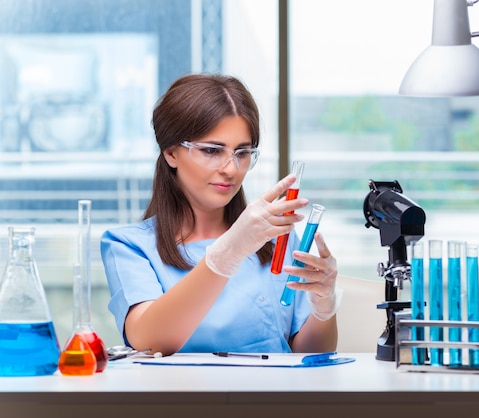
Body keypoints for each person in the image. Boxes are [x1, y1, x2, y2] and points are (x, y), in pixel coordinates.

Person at [101, 73, 341, 356]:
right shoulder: (130, 246)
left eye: (242, 152)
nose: (231, 169)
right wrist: (229, 251)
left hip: (273, 396)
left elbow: (310, 354)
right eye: (212, 150)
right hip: (179, 398)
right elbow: (148, 340)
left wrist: (324, 308)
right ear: (170, 153)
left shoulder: (276, 237)